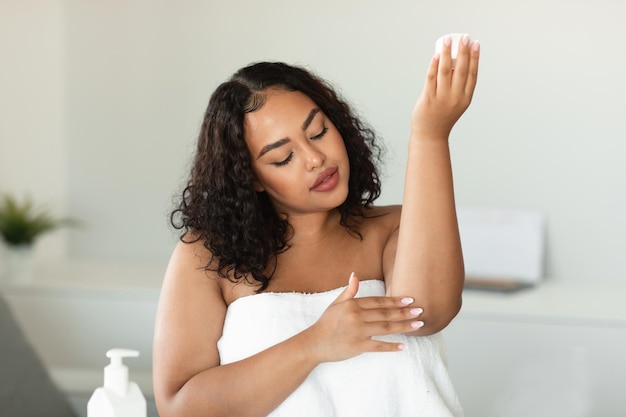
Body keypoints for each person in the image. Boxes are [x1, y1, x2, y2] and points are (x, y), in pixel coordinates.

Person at [153, 34, 480, 417]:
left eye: (319, 132)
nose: (314, 158)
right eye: (283, 157)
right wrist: (315, 344)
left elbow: (426, 313)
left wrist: (430, 134)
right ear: (251, 178)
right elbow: (179, 407)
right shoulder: (207, 256)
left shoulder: (393, 229)